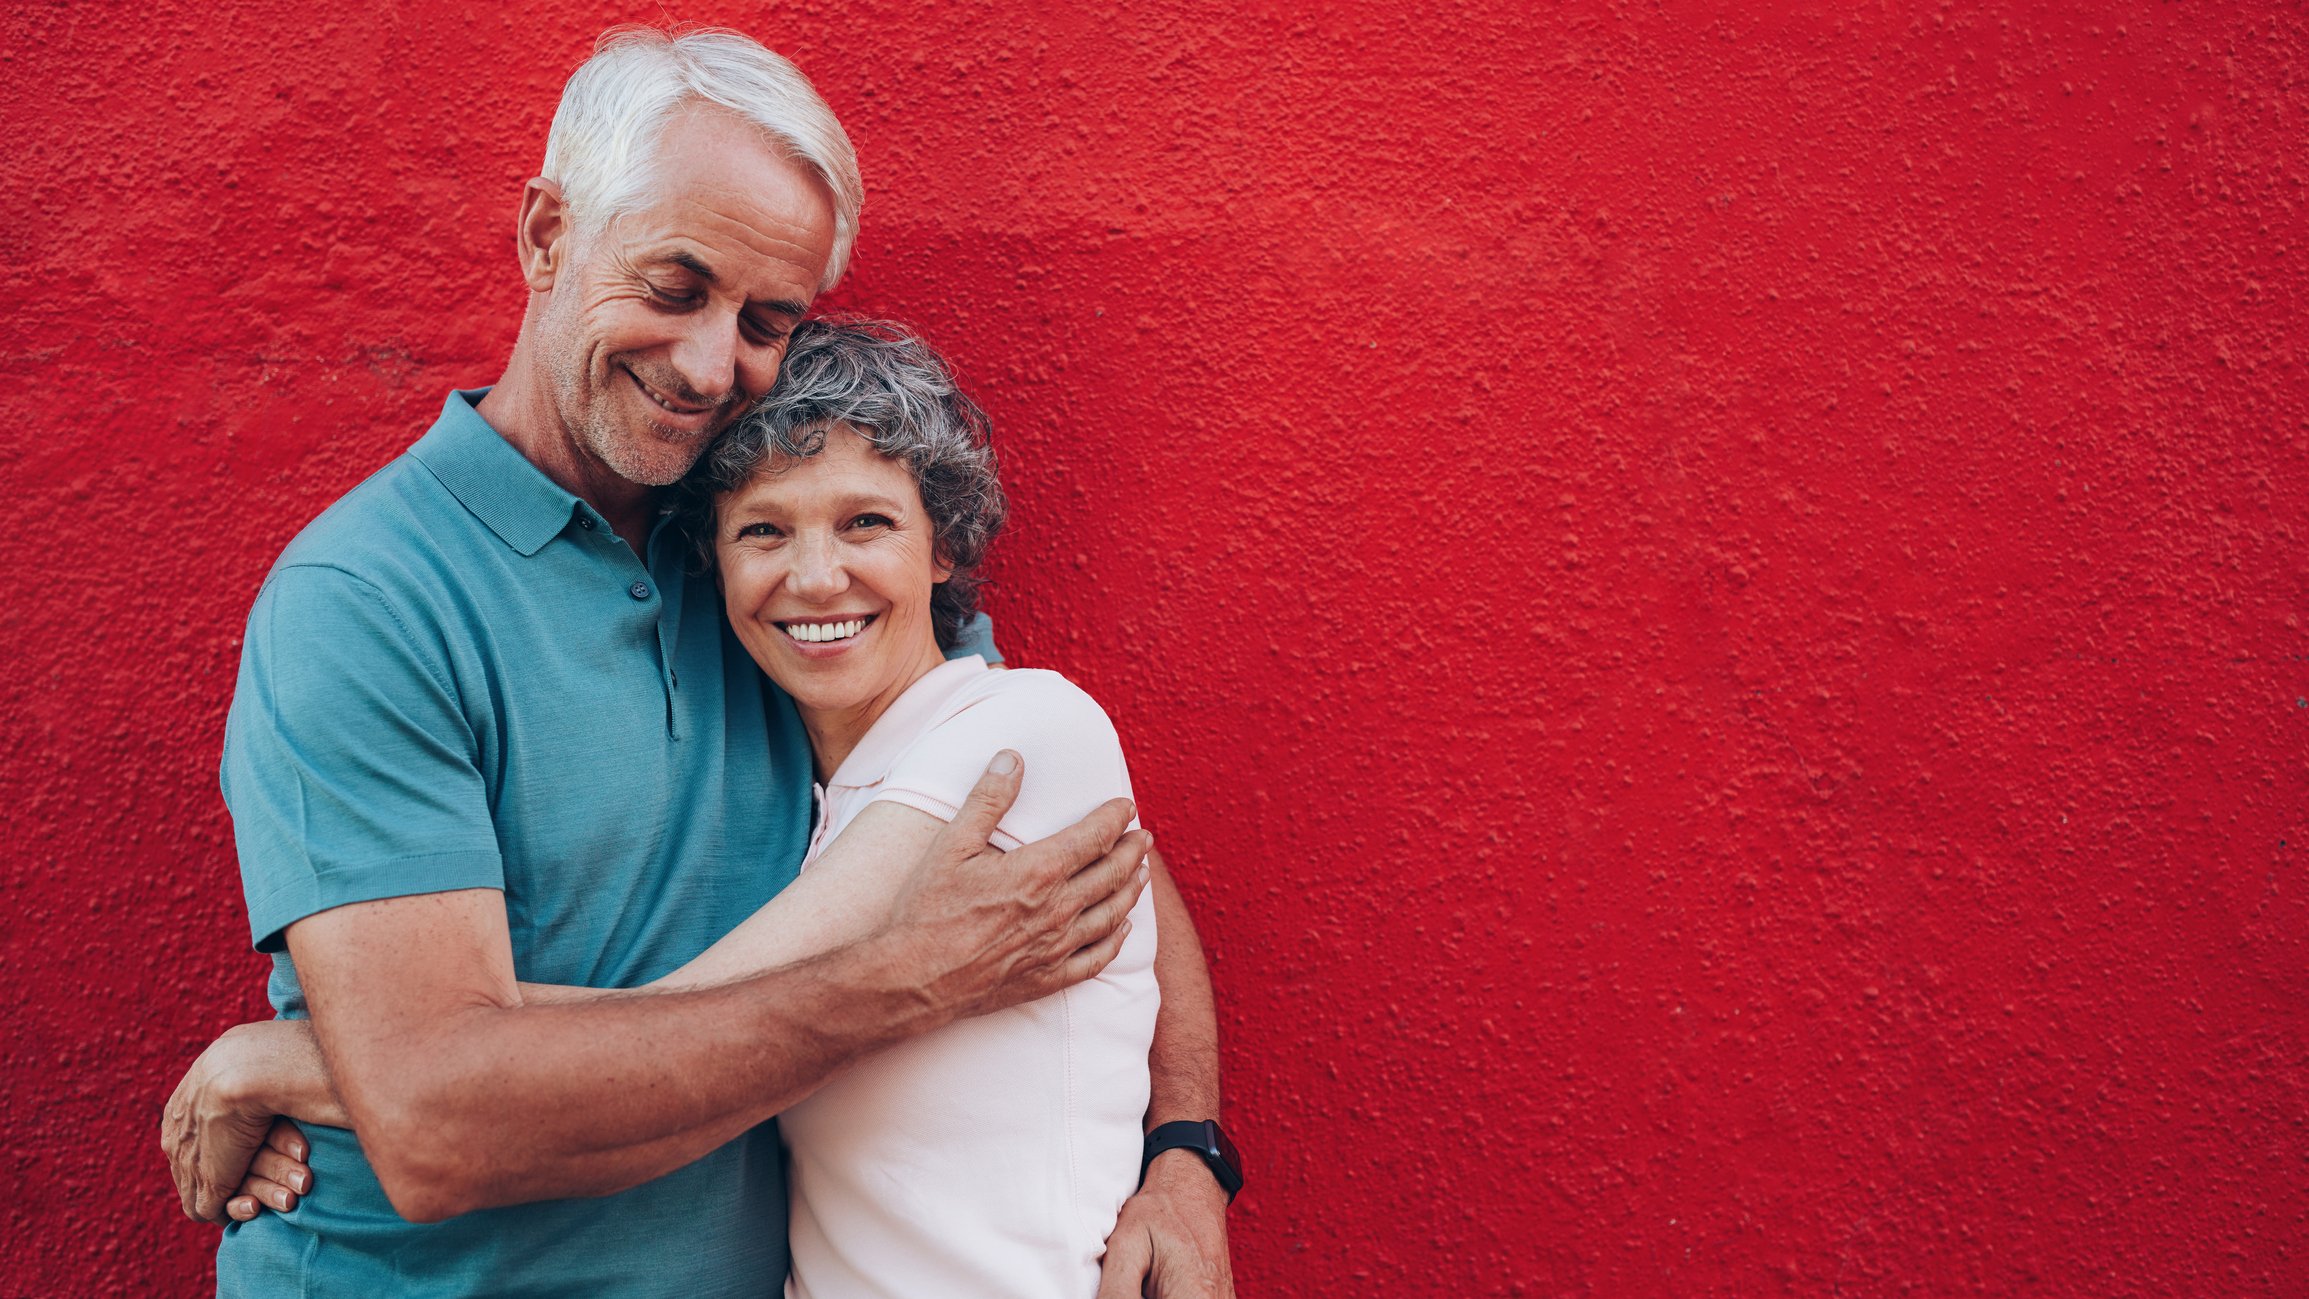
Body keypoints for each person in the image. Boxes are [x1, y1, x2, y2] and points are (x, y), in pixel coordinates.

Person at [158, 27, 1237, 1298]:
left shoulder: (772, 568)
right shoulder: (370, 602)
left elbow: (1081, 843)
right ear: (546, 236)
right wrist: (895, 986)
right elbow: (439, 1126)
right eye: (675, 287)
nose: (711, 364)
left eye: (765, 319)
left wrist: (1184, 1149)